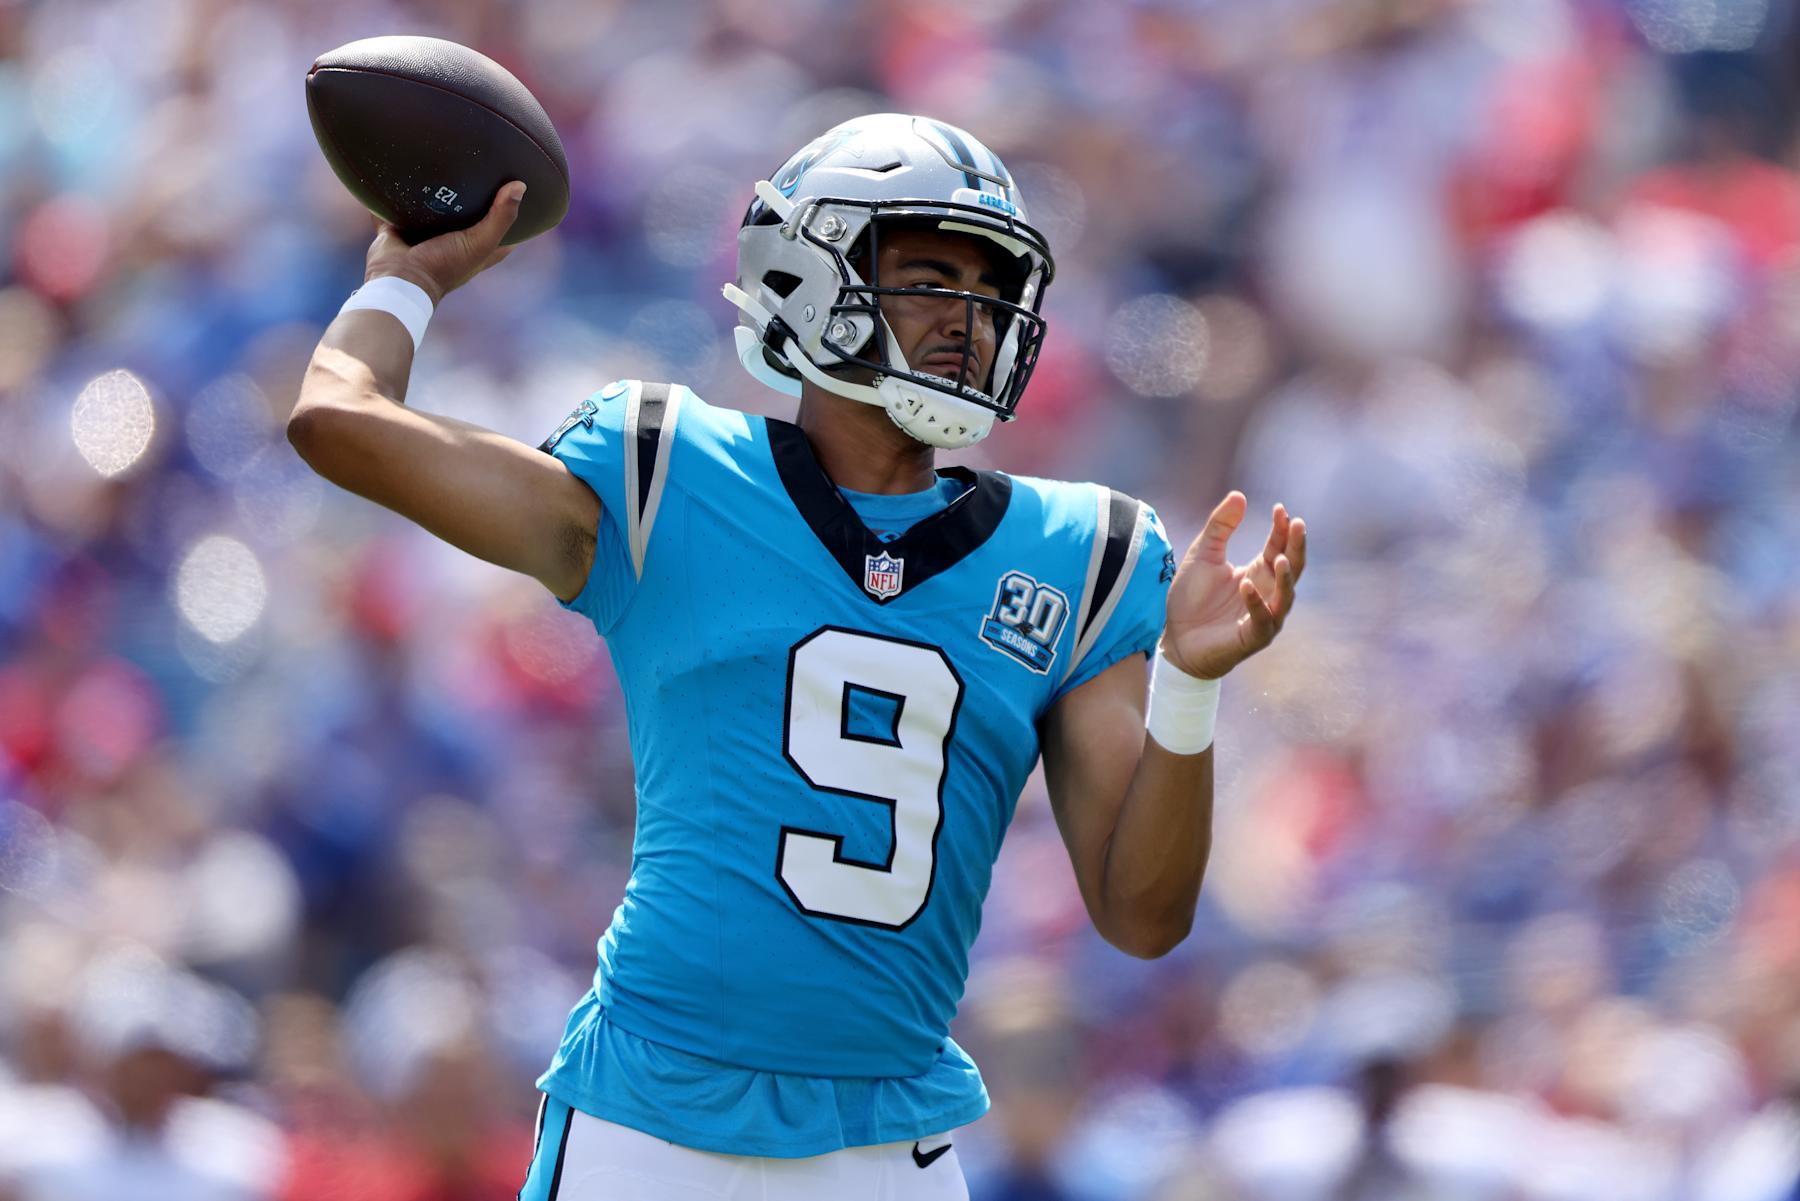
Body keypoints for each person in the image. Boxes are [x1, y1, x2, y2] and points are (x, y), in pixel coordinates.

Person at [287, 113, 1305, 1201]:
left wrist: (1189, 688)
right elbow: (337, 420)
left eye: (989, 283)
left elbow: (1143, 917)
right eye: (930, 277)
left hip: (885, 1141)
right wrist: (406, 282)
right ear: (805, 276)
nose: (970, 316)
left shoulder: (1075, 554)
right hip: (649, 1122)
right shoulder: (667, 474)